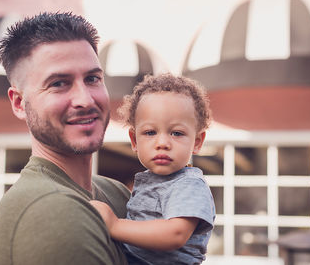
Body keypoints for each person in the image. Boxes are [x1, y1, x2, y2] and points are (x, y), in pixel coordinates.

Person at [0, 12, 130, 265]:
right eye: (59, 83)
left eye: (92, 78)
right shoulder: (53, 211)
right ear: (19, 103)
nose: (85, 100)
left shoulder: (114, 193)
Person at [91, 73, 216, 264]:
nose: (162, 143)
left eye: (177, 133)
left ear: (197, 142)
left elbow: (175, 234)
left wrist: (114, 225)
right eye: (150, 132)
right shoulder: (148, 180)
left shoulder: (189, 185)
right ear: (134, 140)